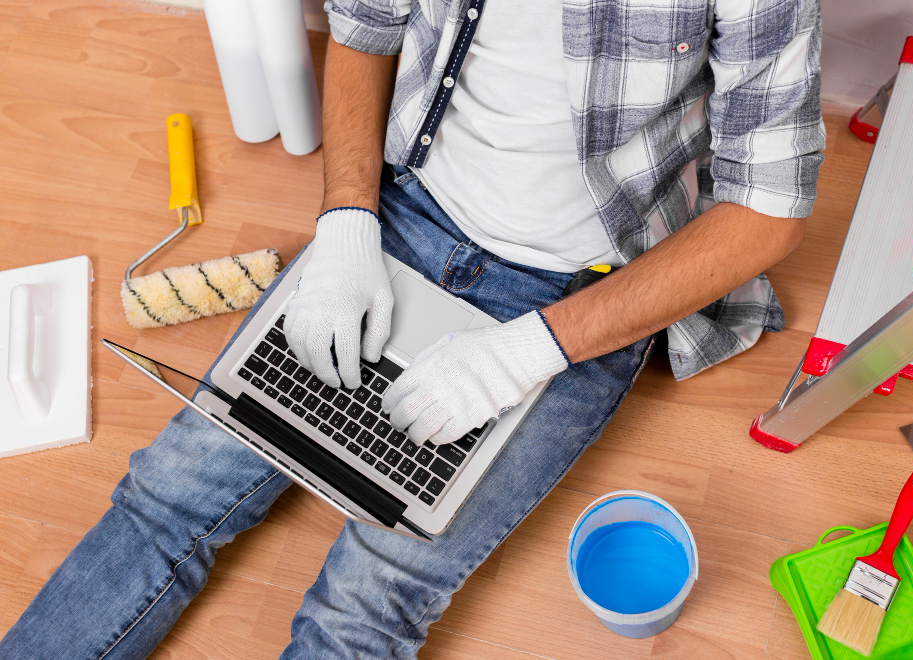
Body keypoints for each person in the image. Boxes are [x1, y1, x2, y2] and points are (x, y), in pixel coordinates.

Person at [0, 0, 823, 656]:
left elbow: (768, 213)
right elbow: (364, 31)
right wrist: (347, 223)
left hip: (582, 290)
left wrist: (525, 353)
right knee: (163, 498)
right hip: (407, 213)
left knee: (366, 606)